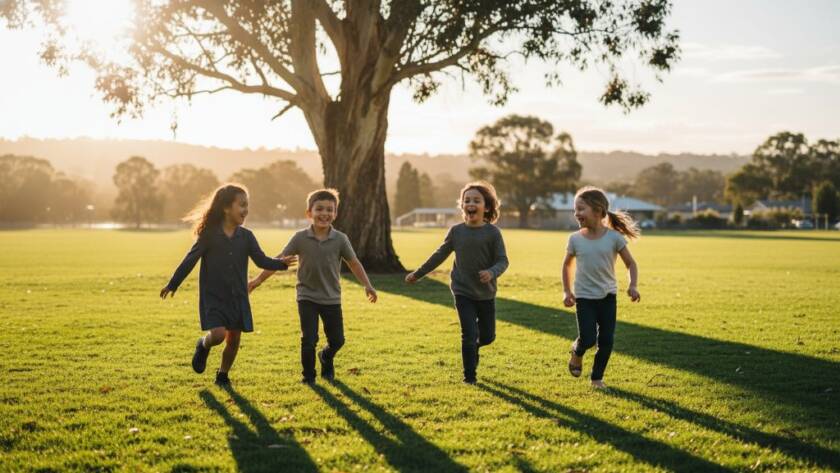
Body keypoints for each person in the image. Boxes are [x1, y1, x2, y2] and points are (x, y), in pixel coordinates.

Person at [160, 184, 295, 386]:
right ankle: (203, 344)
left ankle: (222, 375)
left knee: (233, 341)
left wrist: (280, 265)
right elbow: (190, 259)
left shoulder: (247, 236)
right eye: (241, 205)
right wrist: (173, 283)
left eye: (247, 205)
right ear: (225, 208)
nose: (246, 210)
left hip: (237, 296)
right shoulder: (209, 235)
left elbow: (260, 260)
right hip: (213, 297)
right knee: (218, 335)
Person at [249, 188, 377, 384]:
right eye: (319, 209)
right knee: (309, 339)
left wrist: (367, 285)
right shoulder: (300, 238)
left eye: (329, 210)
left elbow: (354, 263)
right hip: (306, 296)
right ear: (309, 213)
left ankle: (326, 356)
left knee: (338, 340)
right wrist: (257, 281)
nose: (324, 214)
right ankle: (308, 377)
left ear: (335, 214)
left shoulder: (340, 239)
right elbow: (279, 260)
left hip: (331, 297)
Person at [405, 181, 509, 384]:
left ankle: (476, 347)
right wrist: (418, 274)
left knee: (487, 337)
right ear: (462, 206)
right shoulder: (456, 232)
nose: (470, 203)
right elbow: (439, 255)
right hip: (462, 291)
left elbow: (503, 260)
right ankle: (469, 377)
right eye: (466, 200)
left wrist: (491, 272)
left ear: (486, 207)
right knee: (468, 334)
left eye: (476, 200)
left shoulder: (493, 233)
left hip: (486, 293)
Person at [562, 186, 640, 389]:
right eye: (575, 210)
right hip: (584, 298)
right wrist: (567, 291)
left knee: (606, 341)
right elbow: (567, 265)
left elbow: (631, 263)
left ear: (597, 210)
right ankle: (577, 352)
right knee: (588, 338)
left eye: (581, 209)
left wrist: (633, 285)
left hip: (608, 297)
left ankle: (596, 378)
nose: (576, 214)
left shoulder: (614, 238)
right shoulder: (575, 238)